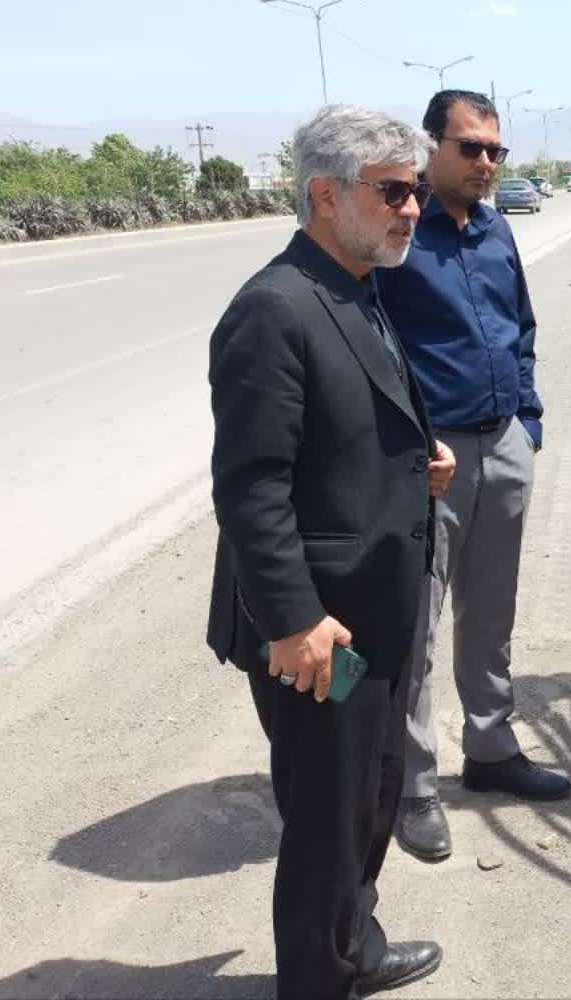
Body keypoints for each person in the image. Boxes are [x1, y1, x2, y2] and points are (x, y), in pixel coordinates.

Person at [206, 105, 456, 999]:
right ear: (325, 193)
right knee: (327, 816)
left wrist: (417, 465)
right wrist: (294, 621)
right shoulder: (274, 309)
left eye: (417, 189)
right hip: (324, 634)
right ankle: (317, 978)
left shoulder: (353, 283)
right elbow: (250, 485)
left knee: (371, 795)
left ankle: (356, 949)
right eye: (393, 190)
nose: (413, 208)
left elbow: (346, 431)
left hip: (374, 614)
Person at [377, 88, 571, 864]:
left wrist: (526, 419)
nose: (486, 163)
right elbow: (373, 343)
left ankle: (489, 751)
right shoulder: (399, 230)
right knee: (415, 627)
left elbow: (519, 326)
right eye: (470, 148)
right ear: (430, 147)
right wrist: (407, 444)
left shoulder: (494, 229)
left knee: (490, 614)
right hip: (431, 460)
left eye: (496, 150)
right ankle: (412, 785)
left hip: (502, 444)